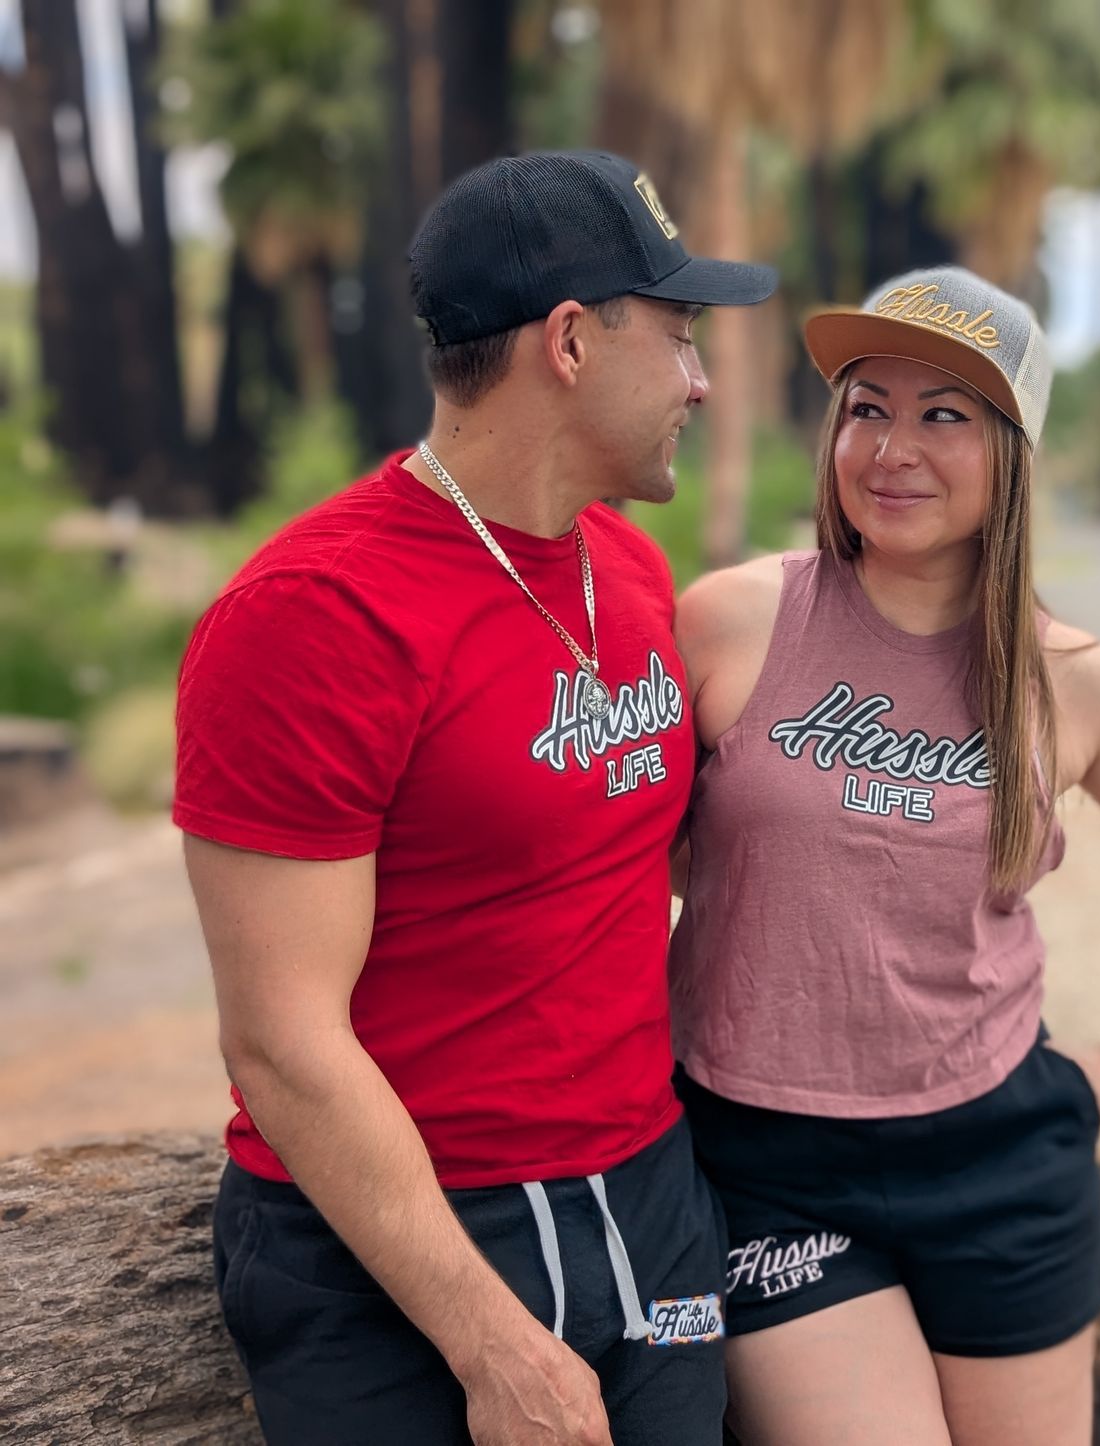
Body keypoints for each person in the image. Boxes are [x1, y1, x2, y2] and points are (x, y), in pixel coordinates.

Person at [173, 151, 775, 1446]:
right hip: (393, 1258)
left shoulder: (628, 561)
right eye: (678, 335)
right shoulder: (312, 617)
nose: (701, 379)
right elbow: (280, 1038)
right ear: (570, 340)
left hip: (653, 1231)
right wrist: (493, 1342)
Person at [668, 266, 1100, 1445]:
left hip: (999, 1158)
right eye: (867, 406)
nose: (894, 447)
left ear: (1013, 453)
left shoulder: (1068, 680)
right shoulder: (733, 621)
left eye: (944, 414)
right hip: (765, 1161)